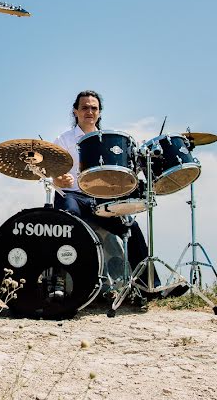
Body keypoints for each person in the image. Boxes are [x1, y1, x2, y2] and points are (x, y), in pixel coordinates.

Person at [52, 90, 157, 291]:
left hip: (99, 199)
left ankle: (149, 285)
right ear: (75, 112)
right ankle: (64, 281)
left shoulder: (108, 141)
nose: (89, 111)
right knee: (69, 216)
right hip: (72, 194)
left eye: (94, 108)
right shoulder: (64, 139)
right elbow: (53, 175)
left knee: (130, 226)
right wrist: (60, 179)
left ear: (99, 112)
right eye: (84, 107)